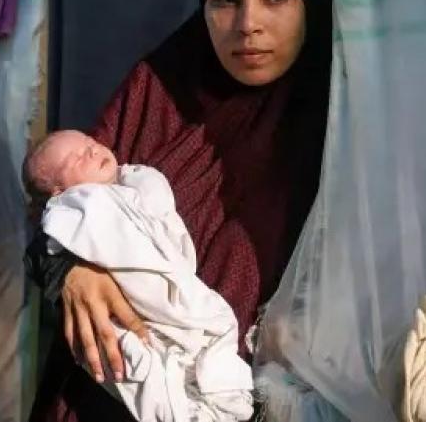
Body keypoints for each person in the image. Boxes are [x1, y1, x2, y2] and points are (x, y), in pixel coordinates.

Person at [26, 0, 332, 421]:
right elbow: (54, 202)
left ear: (311, 1)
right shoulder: (160, 89)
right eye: (225, 0)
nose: (248, 24)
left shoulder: (334, 123)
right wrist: (69, 271)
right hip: (101, 396)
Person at [25, 129, 254, 421]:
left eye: (92, 144)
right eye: (78, 157)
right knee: (137, 366)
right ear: (59, 191)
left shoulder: (135, 181)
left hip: (188, 302)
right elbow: (46, 236)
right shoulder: (74, 206)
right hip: (124, 322)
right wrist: (67, 271)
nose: (93, 150)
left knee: (216, 334)